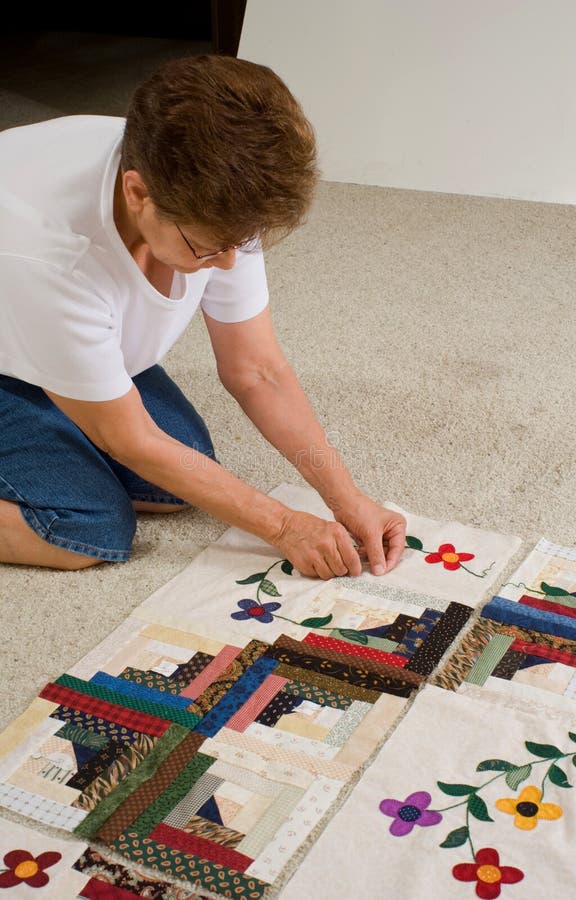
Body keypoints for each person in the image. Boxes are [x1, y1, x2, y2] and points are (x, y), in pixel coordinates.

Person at [0, 54, 406, 578]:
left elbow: (256, 369)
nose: (231, 263)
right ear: (137, 193)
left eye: (241, 242)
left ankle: (66, 405)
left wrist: (347, 498)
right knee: (86, 530)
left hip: (38, 328)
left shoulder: (207, 184)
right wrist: (283, 526)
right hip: (16, 329)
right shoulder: (52, 256)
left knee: (177, 478)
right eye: (209, 247)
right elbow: (132, 440)